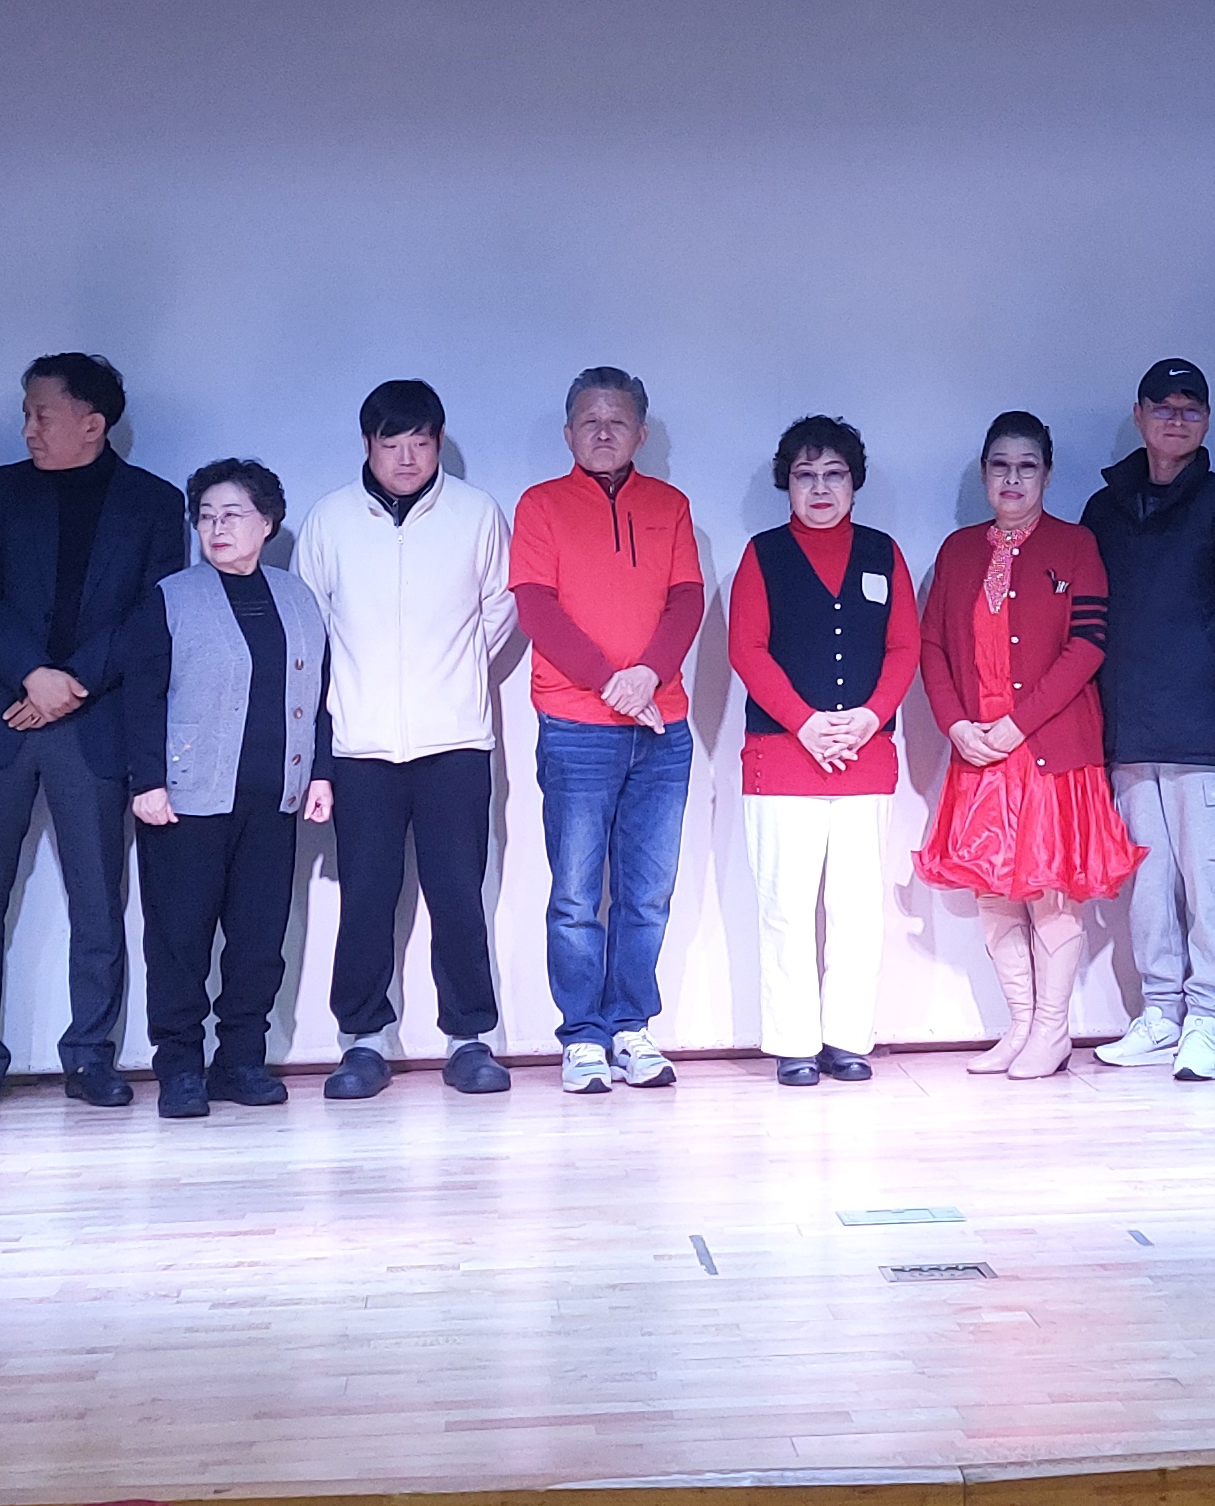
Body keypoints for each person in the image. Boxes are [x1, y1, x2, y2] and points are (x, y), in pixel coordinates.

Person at [0, 352, 185, 1116]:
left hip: (94, 719)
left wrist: (70, 681)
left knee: (99, 903)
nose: (27, 429)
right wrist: (31, 674)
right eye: (26, 414)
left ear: (92, 422)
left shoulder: (154, 502)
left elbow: (150, 614)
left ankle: (90, 1056)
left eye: (40, 414)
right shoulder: (0, 490)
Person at [290, 378, 516, 1098]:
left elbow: (498, 611)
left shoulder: (477, 515)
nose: (408, 457)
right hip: (360, 746)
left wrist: (451, 676)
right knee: (366, 897)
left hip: (455, 741)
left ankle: (469, 1039)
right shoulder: (330, 520)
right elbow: (310, 628)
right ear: (368, 445)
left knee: (458, 895)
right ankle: (362, 1042)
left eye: (421, 442)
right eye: (393, 443)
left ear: (439, 441)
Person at [918, 413, 1138, 1079]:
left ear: (1046, 474)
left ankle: (1052, 1031)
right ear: (985, 473)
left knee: (1050, 893)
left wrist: (1021, 723)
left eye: (1027, 466)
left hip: (1049, 751)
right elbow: (932, 647)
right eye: (1000, 466)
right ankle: (1019, 1026)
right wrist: (957, 725)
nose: (1012, 479)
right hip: (980, 751)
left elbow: (1087, 646)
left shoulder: (1075, 545)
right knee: (993, 895)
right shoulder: (958, 551)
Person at [1083, 358, 1215, 1085]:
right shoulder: (1106, 509)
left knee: (1212, 882)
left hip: (1210, 734)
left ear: (1206, 420)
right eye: (1162, 407)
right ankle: (1161, 1012)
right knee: (1147, 882)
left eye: (1189, 408)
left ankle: (1207, 1020)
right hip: (1130, 728)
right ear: (1138, 416)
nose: (1175, 420)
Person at [119, 460, 331, 1121]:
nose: (216, 527)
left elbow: (319, 694)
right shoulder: (172, 597)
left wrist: (320, 771)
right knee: (179, 940)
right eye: (206, 516)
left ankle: (241, 1061)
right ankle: (180, 1067)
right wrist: (147, 782)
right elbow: (141, 696)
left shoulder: (296, 597)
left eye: (232, 514)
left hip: (273, 798)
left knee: (258, 940)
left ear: (267, 522)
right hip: (186, 802)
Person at [513, 365, 703, 1095]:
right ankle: (582, 1037)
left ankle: (631, 1027)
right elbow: (537, 609)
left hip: (662, 725)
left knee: (646, 893)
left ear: (641, 433)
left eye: (616, 421)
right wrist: (611, 682)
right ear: (568, 432)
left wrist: (647, 675)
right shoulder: (541, 505)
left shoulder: (670, 506)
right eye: (589, 421)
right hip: (576, 723)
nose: (602, 432)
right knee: (574, 894)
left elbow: (687, 601)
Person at [729, 415, 919, 1086]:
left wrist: (870, 717)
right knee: (785, 907)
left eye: (833, 474)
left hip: (865, 758)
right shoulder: (763, 555)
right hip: (783, 758)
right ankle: (793, 1043)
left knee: (857, 909)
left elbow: (904, 646)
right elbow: (746, 649)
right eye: (805, 475)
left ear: (853, 483)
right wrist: (804, 723)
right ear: (787, 483)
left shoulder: (882, 553)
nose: (819, 488)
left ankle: (847, 1039)